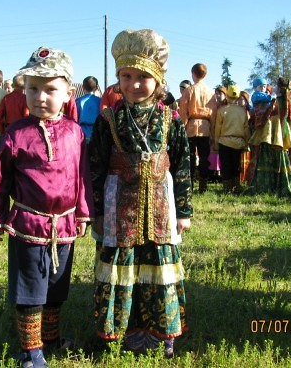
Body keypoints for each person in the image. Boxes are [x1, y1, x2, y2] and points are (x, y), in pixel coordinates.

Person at [0, 46, 94, 368]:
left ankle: (52, 339)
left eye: (50, 89)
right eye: (33, 88)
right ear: (23, 89)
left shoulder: (75, 134)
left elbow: (81, 176)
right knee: (30, 288)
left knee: (57, 286)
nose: (40, 96)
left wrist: (84, 213)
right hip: (28, 225)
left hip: (65, 226)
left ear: (68, 92)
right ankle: (30, 351)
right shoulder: (16, 133)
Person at [89, 29, 192, 358]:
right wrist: (97, 212)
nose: (134, 84)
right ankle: (122, 331)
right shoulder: (109, 119)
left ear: (158, 79)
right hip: (120, 208)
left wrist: (185, 211)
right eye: (126, 76)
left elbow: (184, 164)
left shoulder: (171, 119)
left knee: (157, 266)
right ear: (118, 78)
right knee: (124, 267)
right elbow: (95, 165)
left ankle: (162, 333)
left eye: (143, 77)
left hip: (161, 208)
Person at [249, 77, 291, 196]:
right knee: (281, 158)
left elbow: (265, 116)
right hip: (282, 134)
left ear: (279, 88)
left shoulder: (275, 102)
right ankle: (284, 186)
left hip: (271, 134)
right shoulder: (290, 102)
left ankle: (267, 187)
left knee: (267, 158)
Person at [179, 63, 216, 192]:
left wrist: (182, 126)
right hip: (205, 127)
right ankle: (203, 186)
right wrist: (212, 130)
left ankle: (190, 185)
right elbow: (213, 113)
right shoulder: (210, 92)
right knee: (204, 157)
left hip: (191, 127)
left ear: (193, 74)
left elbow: (183, 111)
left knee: (190, 156)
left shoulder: (189, 90)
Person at [214, 85, 250, 194]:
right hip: (238, 143)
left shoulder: (221, 111)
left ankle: (227, 189)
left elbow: (217, 129)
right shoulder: (243, 112)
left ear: (227, 95)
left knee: (226, 166)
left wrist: (216, 143)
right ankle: (236, 188)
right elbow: (246, 129)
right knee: (236, 166)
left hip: (224, 142)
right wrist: (247, 143)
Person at [75, 76, 101, 143]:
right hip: (97, 134)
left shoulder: (78, 101)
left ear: (83, 87)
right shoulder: (100, 102)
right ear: (96, 88)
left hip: (81, 134)